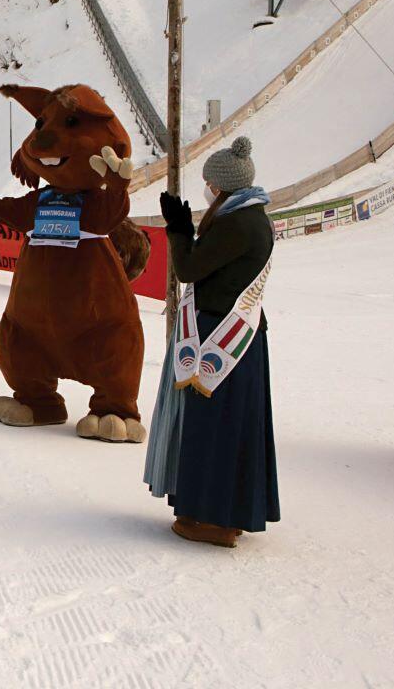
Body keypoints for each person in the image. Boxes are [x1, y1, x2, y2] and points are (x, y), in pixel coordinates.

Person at [145, 136, 278, 548]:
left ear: (220, 186)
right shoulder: (254, 216)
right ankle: (231, 511)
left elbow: (188, 269)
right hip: (240, 336)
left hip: (220, 337)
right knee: (234, 426)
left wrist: (179, 231)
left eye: (208, 183)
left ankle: (211, 519)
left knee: (212, 428)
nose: (206, 189)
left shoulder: (237, 223)